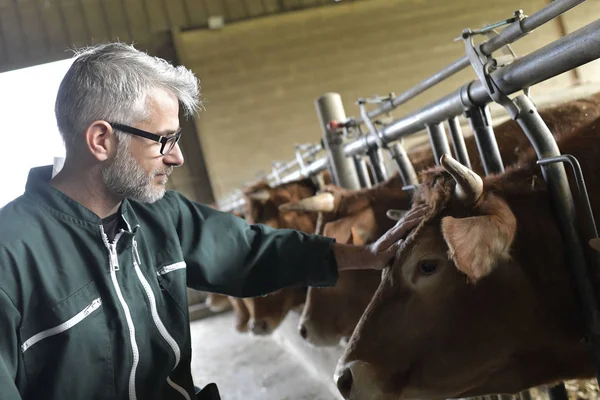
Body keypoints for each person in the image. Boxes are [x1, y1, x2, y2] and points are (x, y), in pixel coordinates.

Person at [0, 42, 425, 400]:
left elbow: (248, 250)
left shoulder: (158, 214)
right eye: (163, 140)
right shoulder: (11, 255)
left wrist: (366, 255)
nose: (177, 156)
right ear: (101, 140)